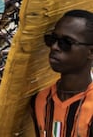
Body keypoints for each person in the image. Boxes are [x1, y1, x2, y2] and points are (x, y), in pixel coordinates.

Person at [31, 9, 93, 137]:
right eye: (52, 39)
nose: (54, 47)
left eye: (66, 43)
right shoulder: (40, 100)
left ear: (91, 52)